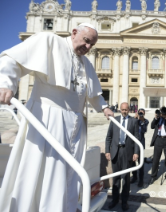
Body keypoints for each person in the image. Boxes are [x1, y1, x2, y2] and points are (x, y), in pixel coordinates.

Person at [0, 23, 114, 212]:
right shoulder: (49, 41)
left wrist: (104, 108)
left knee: (69, 172)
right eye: (86, 42)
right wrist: (5, 83)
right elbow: (12, 60)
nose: (88, 48)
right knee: (44, 167)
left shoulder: (86, 63)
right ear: (74, 32)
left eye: (91, 45)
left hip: (76, 124)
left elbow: (93, 93)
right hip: (48, 118)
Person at [105, 102, 139, 211]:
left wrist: (136, 152)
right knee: (115, 179)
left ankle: (124, 202)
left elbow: (136, 139)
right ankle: (114, 200)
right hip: (115, 152)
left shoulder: (133, 122)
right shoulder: (115, 121)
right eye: (122, 109)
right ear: (120, 109)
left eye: (126, 109)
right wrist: (107, 151)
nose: (124, 111)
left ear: (129, 109)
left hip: (127, 153)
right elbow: (109, 137)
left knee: (125, 179)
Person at [131, 108, 149, 187]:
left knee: (141, 162)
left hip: (140, 143)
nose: (141, 114)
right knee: (132, 161)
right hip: (132, 143)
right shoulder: (134, 120)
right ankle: (134, 176)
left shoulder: (146, 121)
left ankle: (141, 180)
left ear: (144, 114)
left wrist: (141, 120)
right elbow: (130, 127)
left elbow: (144, 130)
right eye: (140, 113)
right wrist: (135, 118)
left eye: (142, 113)